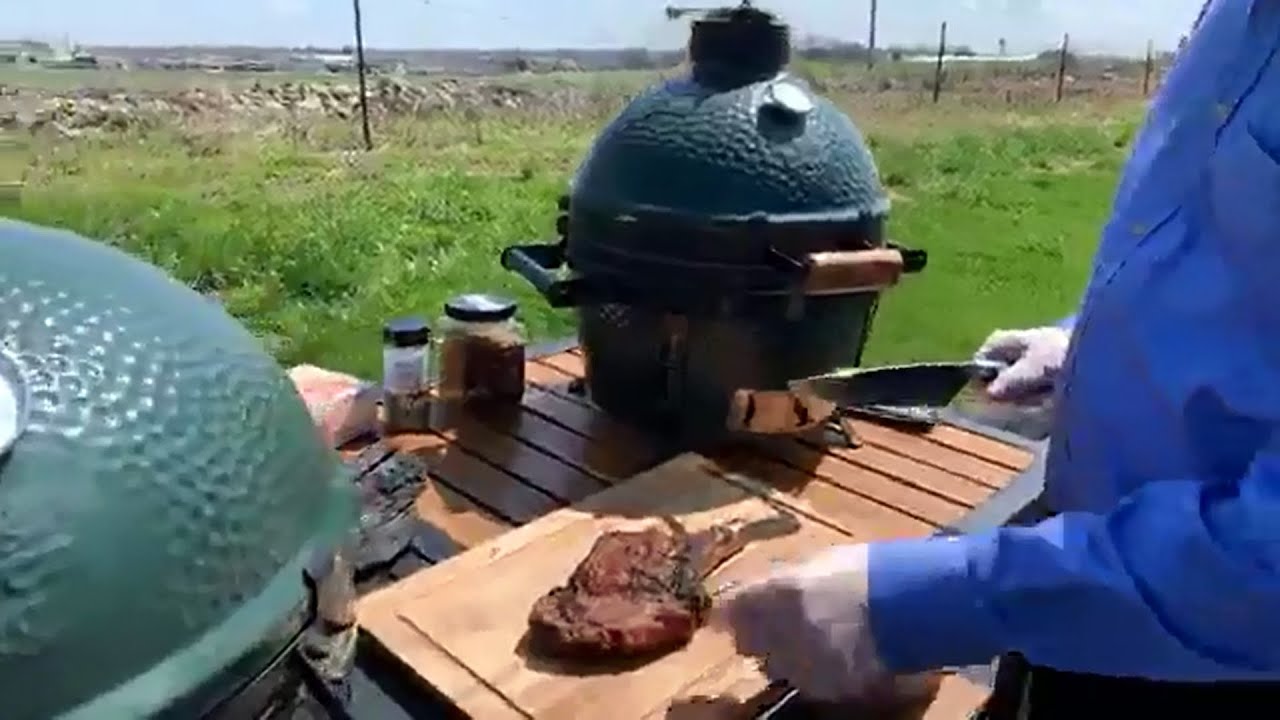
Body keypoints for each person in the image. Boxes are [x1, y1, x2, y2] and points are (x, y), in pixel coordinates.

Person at [717, 1, 1280, 716]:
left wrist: (915, 603)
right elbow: (1229, 255)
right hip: (1074, 594)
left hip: (1217, 664)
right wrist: (1086, 343)